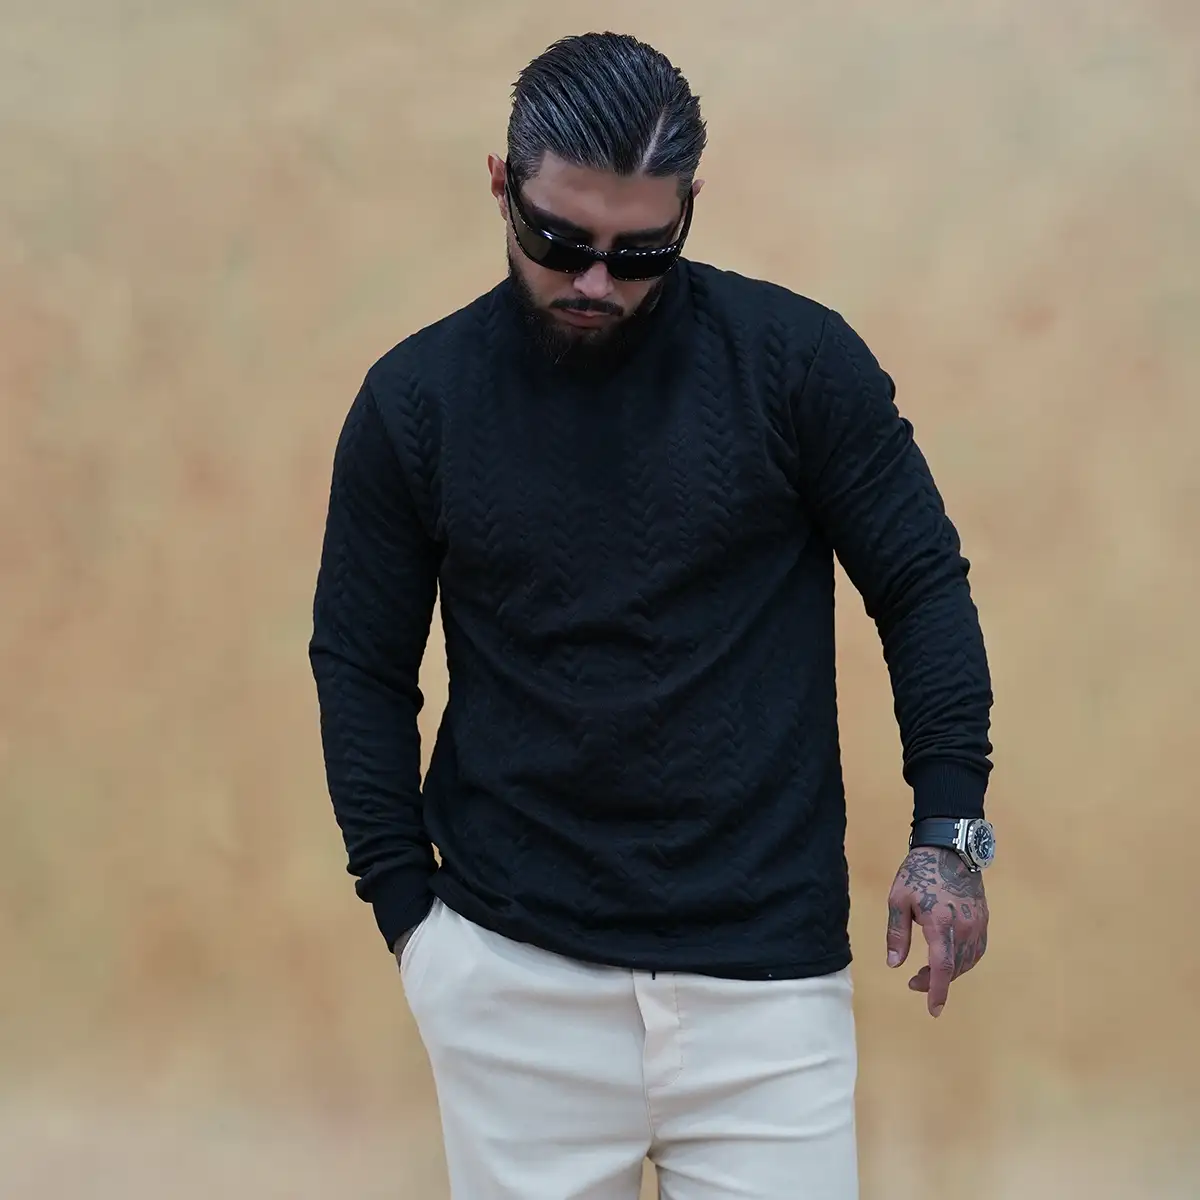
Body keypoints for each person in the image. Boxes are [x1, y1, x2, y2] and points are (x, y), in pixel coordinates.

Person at [308, 30, 995, 1200]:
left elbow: (921, 584)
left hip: (766, 994)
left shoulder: (798, 365)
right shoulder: (415, 403)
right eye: (558, 241)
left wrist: (951, 834)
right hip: (509, 981)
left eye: (640, 253)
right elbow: (361, 665)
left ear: (689, 210)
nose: (594, 281)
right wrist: (412, 924)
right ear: (500, 185)